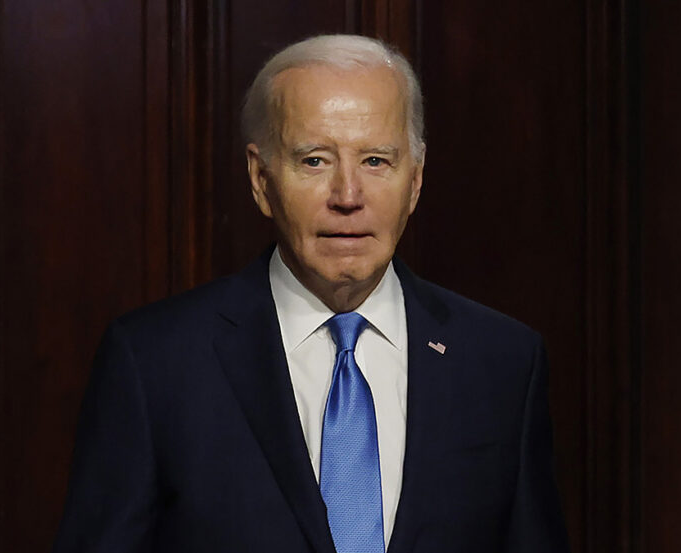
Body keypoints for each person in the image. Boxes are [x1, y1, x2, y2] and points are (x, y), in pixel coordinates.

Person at [53, 34, 570, 553]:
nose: (348, 196)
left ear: (414, 181)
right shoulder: (154, 363)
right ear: (261, 179)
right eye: (315, 160)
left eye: (375, 161)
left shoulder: (502, 363)